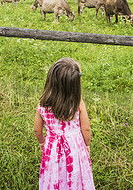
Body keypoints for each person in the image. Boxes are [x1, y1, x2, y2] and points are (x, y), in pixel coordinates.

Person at [34, 57, 95, 189]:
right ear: (75, 85)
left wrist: (41, 142)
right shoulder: (77, 103)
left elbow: (37, 130)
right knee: (76, 174)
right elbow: (86, 129)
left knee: (53, 173)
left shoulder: (43, 103)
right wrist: (87, 144)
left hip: (52, 148)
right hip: (75, 148)